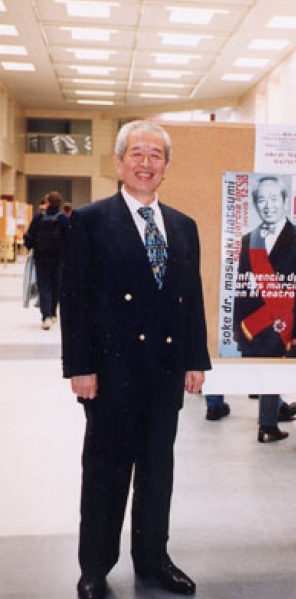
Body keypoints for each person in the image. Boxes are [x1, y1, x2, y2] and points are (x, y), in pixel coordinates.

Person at [60, 120, 211, 599]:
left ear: (166, 166)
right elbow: (74, 301)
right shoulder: (89, 221)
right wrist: (79, 367)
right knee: (105, 474)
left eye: (155, 155)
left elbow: (191, 298)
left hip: (163, 373)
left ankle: (153, 559)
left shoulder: (184, 226)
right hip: (111, 373)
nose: (146, 163)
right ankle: (94, 566)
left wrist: (195, 359)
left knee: (157, 473)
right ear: (119, 162)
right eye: (137, 154)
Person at [232, 175, 296, 449]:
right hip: (258, 328)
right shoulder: (248, 241)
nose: (268, 205)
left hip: (291, 327)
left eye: (274, 198)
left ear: (285, 202)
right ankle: (268, 426)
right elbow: (241, 289)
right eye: (262, 200)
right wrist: (239, 328)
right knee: (268, 373)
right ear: (255, 204)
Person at [24, 190, 69, 329]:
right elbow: (70, 239)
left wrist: (29, 246)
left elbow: (29, 236)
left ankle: (46, 316)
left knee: (44, 286)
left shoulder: (39, 217)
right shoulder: (63, 219)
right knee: (56, 285)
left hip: (41, 257)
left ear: (47, 202)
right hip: (59, 258)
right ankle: (53, 313)